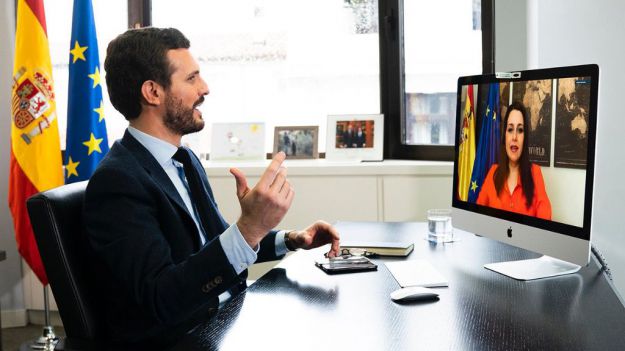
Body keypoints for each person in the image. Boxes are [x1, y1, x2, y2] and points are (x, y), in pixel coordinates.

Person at [83, 27, 340, 349]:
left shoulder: (184, 158)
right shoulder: (118, 182)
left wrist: (289, 240)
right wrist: (249, 227)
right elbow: (161, 297)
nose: (205, 88)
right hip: (185, 338)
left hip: (227, 318)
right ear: (153, 92)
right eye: (192, 79)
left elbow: (216, 246)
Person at [476, 102, 552, 219]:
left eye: (520, 130)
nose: (514, 137)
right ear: (504, 135)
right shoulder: (493, 172)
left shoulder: (535, 173)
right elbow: (477, 219)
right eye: (510, 129)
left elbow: (545, 222)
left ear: (525, 138)